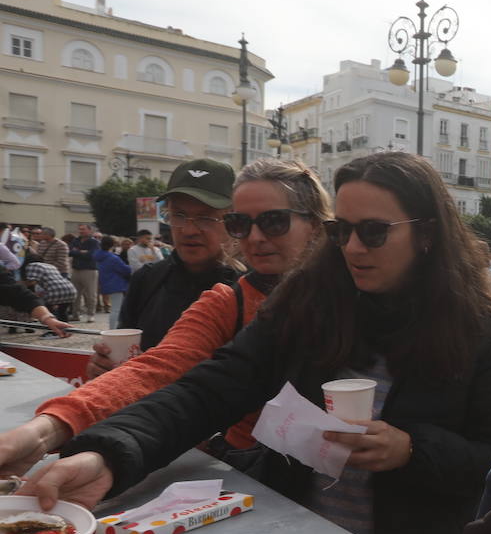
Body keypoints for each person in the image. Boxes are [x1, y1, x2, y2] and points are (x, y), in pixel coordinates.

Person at [16, 152, 491, 534]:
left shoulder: (479, 330)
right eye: (341, 231)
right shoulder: (307, 300)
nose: (352, 248)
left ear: (427, 234)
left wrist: (412, 449)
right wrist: (107, 455)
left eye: (373, 231)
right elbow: (209, 389)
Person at [0, 159, 331, 477]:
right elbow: (155, 369)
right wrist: (44, 430)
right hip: (258, 474)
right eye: (241, 224)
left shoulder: (344, 292)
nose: (255, 237)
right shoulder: (223, 299)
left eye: (274, 221)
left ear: (316, 224)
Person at [104, 159, 241, 377]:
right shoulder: (146, 279)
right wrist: (105, 367)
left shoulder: (250, 287)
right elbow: (125, 355)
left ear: (234, 220)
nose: (189, 230)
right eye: (179, 215)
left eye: (205, 217)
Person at [0, 265, 69, 336]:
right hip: (65, 290)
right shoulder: (48, 268)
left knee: (56, 309)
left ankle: (50, 330)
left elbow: (20, 295)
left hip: (49, 294)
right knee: (61, 310)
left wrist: (47, 318)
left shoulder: (33, 268)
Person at [21, 260, 76, 330]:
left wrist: (21, 284)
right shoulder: (49, 265)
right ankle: (65, 329)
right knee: (62, 311)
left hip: (54, 290)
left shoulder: (31, 266)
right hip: (69, 289)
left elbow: (32, 282)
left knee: (48, 312)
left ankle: (51, 331)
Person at [92, 236, 131, 326]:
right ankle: (113, 329)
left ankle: (115, 328)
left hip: (106, 282)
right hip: (117, 284)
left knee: (115, 308)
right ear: (112, 245)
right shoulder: (113, 258)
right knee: (116, 309)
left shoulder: (97, 255)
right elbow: (125, 270)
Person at [68, 223, 101, 322]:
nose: (81, 231)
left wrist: (77, 252)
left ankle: (91, 314)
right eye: (80, 229)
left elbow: (91, 255)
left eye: (83, 229)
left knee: (91, 294)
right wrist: (82, 252)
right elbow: (70, 252)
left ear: (90, 230)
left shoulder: (94, 242)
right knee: (75, 294)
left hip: (89, 270)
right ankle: (76, 314)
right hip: (76, 270)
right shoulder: (75, 240)